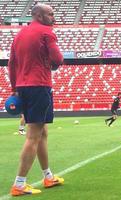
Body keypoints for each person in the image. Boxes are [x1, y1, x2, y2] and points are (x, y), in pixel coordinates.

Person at [8, 3, 64, 196]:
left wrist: (14, 88)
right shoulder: (47, 33)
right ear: (39, 15)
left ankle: (48, 176)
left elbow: (11, 64)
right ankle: (19, 184)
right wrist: (52, 64)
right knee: (33, 136)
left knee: (42, 132)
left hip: (23, 87)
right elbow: (58, 59)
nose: (53, 18)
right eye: (50, 14)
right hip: (40, 86)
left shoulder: (19, 35)